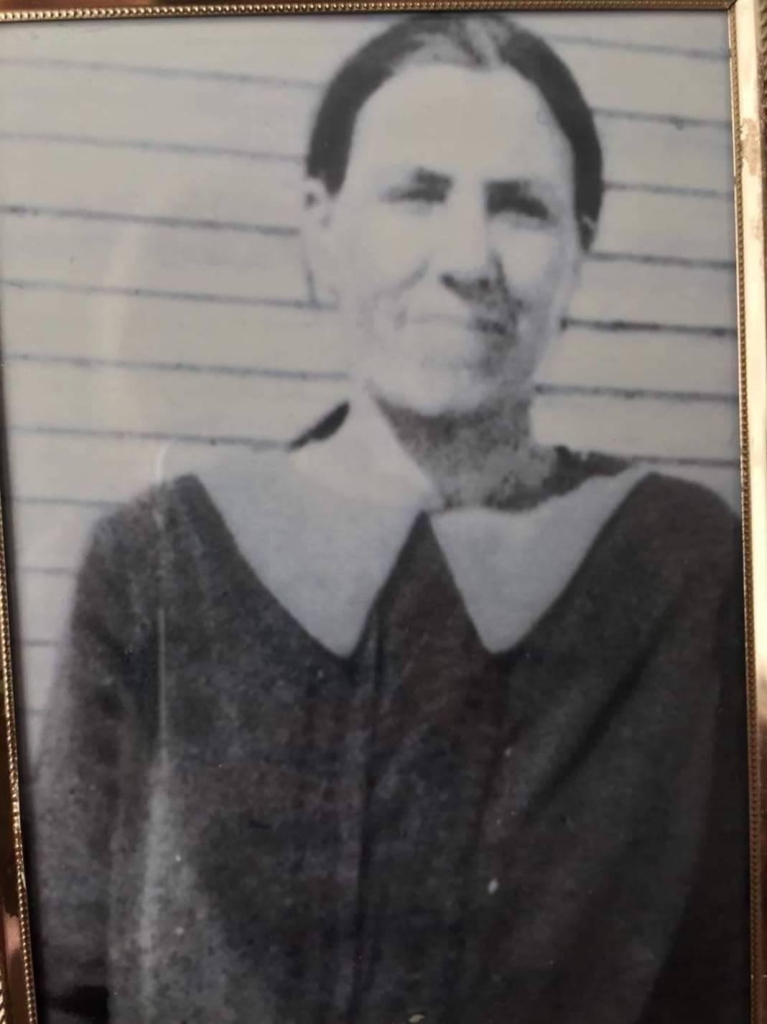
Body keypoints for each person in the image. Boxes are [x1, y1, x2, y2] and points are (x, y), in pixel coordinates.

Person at [31, 13, 750, 1024]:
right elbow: (60, 975)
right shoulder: (157, 563)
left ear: (577, 256)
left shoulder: (677, 565)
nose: (467, 256)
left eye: (520, 209)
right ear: (321, 228)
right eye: (416, 193)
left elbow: (725, 977)